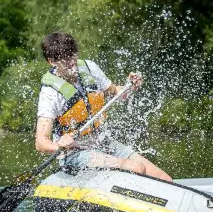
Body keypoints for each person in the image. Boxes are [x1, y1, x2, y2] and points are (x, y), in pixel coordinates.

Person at [34, 31, 172, 181]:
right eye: (65, 59)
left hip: (102, 142)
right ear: (51, 61)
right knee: (136, 167)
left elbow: (116, 93)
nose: (71, 62)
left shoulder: (90, 68)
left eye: (73, 55)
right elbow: (41, 142)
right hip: (75, 153)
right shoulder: (50, 93)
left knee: (164, 178)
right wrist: (58, 144)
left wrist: (129, 86)